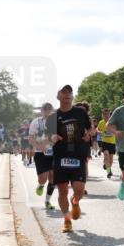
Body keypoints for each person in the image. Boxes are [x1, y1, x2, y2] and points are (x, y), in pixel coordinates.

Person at [50, 85, 91, 233]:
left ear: (72, 97)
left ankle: (75, 201)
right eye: (64, 92)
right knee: (62, 192)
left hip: (77, 155)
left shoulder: (80, 112)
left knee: (79, 189)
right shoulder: (53, 117)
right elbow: (47, 137)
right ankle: (67, 220)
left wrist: (89, 134)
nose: (67, 95)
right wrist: (52, 137)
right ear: (58, 96)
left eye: (69, 93)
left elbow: (90, 128)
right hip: (60, 157)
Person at [29, 103, 56, 210]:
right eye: (45, 109)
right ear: (41, 110)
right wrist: (38, 146)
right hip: (40, 153)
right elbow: (30, 138)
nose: (47, 110)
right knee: (43, 178)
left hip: (54, 153)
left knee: (53, 177)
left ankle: (47, 201)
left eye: (49, 108)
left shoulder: (56, 121)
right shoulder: (36, 122)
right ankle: (41, 185)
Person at [97, 108, 117, 179]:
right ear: (102, 115)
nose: (106, 115)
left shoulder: (113, 122)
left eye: (107, 114)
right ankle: (109, 172)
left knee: (110, 160)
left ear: (110, 115)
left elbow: (117, 129)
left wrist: (114, 131)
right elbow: (98, 129)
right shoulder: (101, 122)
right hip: (104, 142)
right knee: (106, 155)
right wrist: (99, 132)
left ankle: (107, 165)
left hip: (112, 142)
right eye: (104, 114)